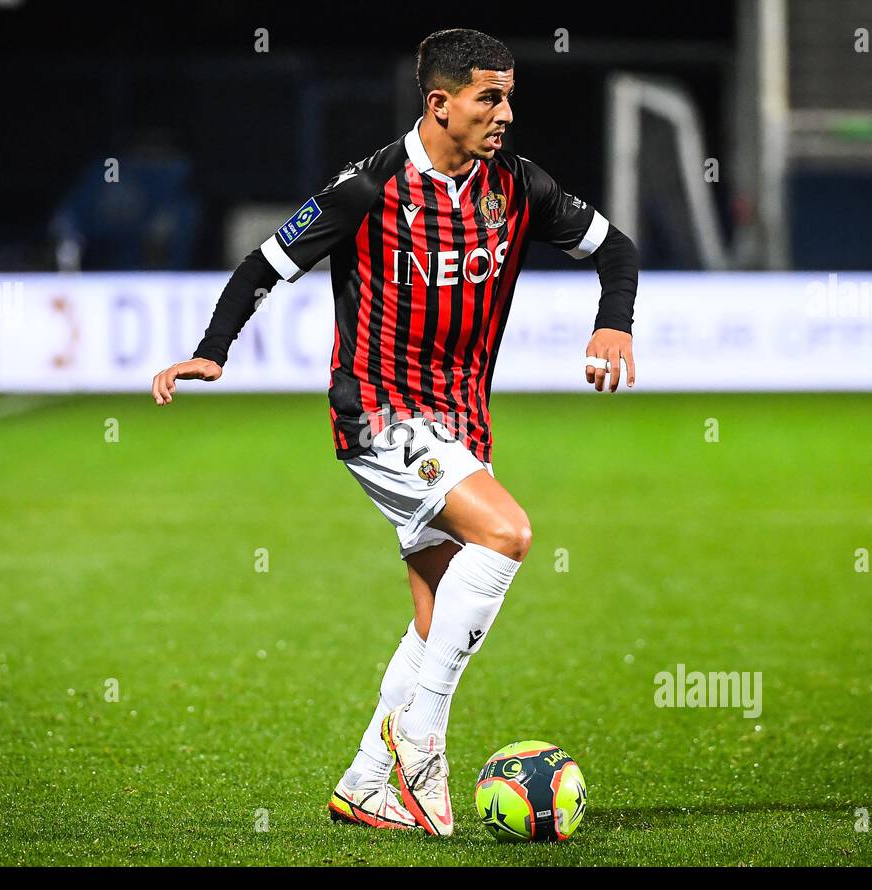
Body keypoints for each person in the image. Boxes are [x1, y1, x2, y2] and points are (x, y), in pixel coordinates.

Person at [151, 28, 639, 835]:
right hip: (378, 412)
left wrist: (613, 323)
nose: (506, 113)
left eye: (509, 96)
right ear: (440, 103)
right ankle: (420, 746)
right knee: (509, 533)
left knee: (436, 611)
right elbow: (263, 267)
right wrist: (212, 350)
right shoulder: (367, 188)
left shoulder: (516, 185)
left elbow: (613, 248)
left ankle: (365, 784)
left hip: (461, 422)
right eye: (491, 97)